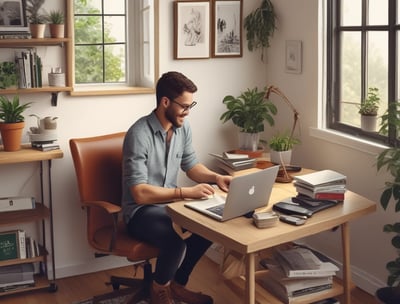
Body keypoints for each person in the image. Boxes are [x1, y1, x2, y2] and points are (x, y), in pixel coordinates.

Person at [122, 71, 232, 304]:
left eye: (191, 105)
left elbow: (191, 166)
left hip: (169, 206)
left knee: (208, 226)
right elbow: (139, 193)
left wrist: (216, 177)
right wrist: (185, 193)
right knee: (175, 241)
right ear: (165, 102)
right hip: (140, 212)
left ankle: (177, 285)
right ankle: (159, 289)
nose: (188, 111)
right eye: (184, 106)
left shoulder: (183, 128)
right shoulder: (139, 134)